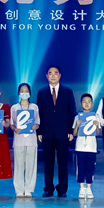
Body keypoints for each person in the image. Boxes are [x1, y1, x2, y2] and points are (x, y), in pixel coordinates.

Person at [36, 66, 75, 197]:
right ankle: (48, 188)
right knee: (48, 162)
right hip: (47, 133)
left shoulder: (67, 91)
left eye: (55, 73)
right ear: (46, 76)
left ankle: (62, 189)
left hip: (63, 132)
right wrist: (39, 131)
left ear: (60, 75)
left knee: (63, 162)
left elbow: (71, 112)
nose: (53, 75)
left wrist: (70, 130)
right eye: (50, 73)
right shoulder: (41, 92)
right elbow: (39, 113)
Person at [11, 83, 40, 197]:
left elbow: (37, 122)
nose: (24, 93)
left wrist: (35, 126)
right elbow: (12, 124)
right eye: (22, 91)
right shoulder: (14, 108)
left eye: (26, 90)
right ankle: (19, 189)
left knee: (31, 166)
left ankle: (28, 189)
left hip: (31, 140)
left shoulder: (34, 107)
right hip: (18, 140)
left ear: (30, 93)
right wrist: (15, 129)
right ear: (18, 93)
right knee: (18, 166)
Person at [72, 93, 99, 199]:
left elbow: (98, 132)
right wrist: (77, 125)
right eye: (84, 102)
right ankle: (81, 188)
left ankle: (89, 188)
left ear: (92, 104)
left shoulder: (95, 117)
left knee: (90, 167)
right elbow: (74, 133)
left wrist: (97, 125)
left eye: (89, 102)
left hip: (91, 147)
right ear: (81, 104)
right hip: (80, 147)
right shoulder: (77, 117)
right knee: (80, 168)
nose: (87, 104)